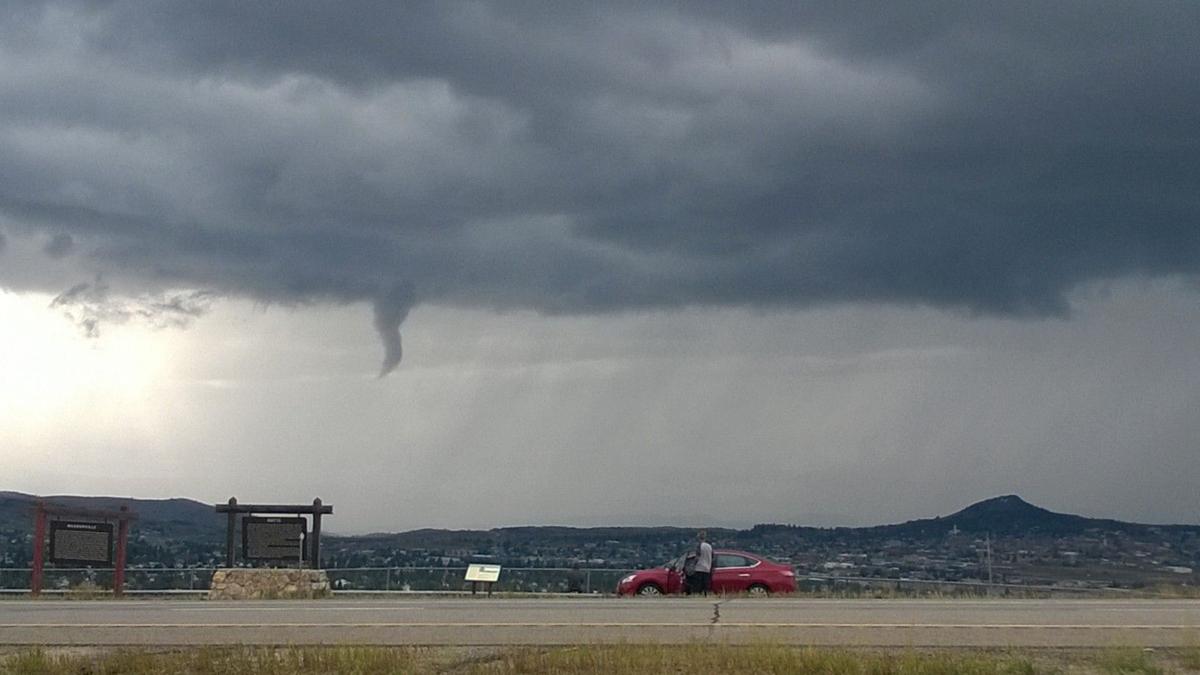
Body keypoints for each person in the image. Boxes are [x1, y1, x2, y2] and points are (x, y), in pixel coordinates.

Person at [684, 530, 713, 596]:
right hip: (707, 568)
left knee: (698, 585)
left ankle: (697, 595)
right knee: (705, 584)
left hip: (699, 568)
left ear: (699, 537)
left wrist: (693, 565)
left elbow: (697, 556)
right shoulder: (709, 546)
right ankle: (706, 595)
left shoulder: (699, 546)